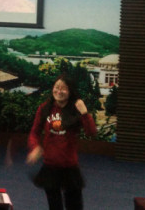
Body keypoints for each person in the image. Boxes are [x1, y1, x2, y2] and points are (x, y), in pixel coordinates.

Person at [26, 75, 97, 210]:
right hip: (50, 166)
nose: (59, 91)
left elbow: (91, 133)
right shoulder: (45, 108)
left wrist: (84, 113)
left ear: (70, 91)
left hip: (69, 166)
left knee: (74, 206)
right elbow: (34, 133)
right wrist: (35, 147)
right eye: (56, 87)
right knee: (54, 206)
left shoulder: (76, 108)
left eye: (63, 88)